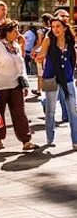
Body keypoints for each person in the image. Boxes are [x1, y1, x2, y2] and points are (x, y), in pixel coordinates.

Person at [0, 19, 38, 150]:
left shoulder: (16, 46)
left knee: (20, 113)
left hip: (16, 86)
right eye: (15, 30)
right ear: (7, 33)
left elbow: (22, 66)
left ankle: (26, 140)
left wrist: (24, 84)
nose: (18, 33)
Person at [36, 17, 77, 149]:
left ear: (64, 28)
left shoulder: (70, 42)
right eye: (53, 27)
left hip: (67, 79)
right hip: (50, 78)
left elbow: (74, 60)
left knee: (73, 110)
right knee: (50, 110)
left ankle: (75, 140)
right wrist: (40, 57)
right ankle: (50, 139)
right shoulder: (48, 40)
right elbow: (40, 56)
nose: (55, 29)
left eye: (58, 26)